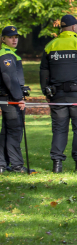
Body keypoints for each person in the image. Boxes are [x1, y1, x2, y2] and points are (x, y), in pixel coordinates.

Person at [40, 15, 77, 173]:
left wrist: (45, 90)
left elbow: (43, 71)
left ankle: (57, 164)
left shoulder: (50, 45)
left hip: (57, 95)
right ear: (74, 27)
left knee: (59, 129)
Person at [0, 26, 28, 173]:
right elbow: (9, 79)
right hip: (11, 99)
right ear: (3, 39)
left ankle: (2, 164)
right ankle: (17, 165)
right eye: (10, 37)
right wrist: (19, 98)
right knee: (14, 131)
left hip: (8, 98)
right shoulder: (6, 55)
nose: (14, 39)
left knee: (6, 132)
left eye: (16, 36)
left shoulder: (10, 54)